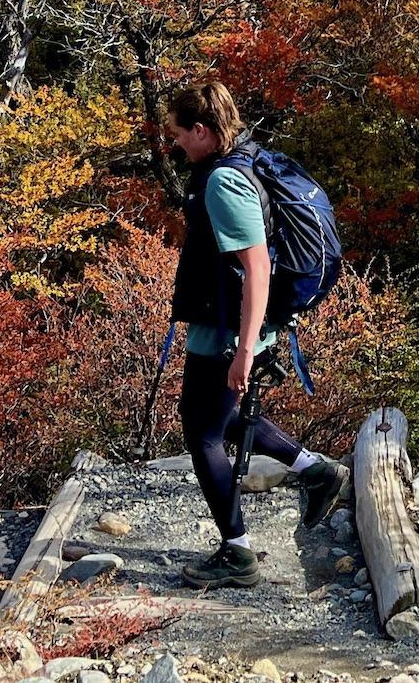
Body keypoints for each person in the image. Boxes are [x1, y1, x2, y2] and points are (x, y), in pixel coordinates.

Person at [163, 84, 351, 588]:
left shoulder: (225, 182)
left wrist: (243, 351)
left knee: (201, 435)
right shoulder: (245, 158)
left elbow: (257, 269)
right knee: (222, 421)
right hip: (233, 324)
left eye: (179, 134)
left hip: (230, 329)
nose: (176, 143)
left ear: (201, 131)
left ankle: (237, 554)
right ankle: (316, 471)